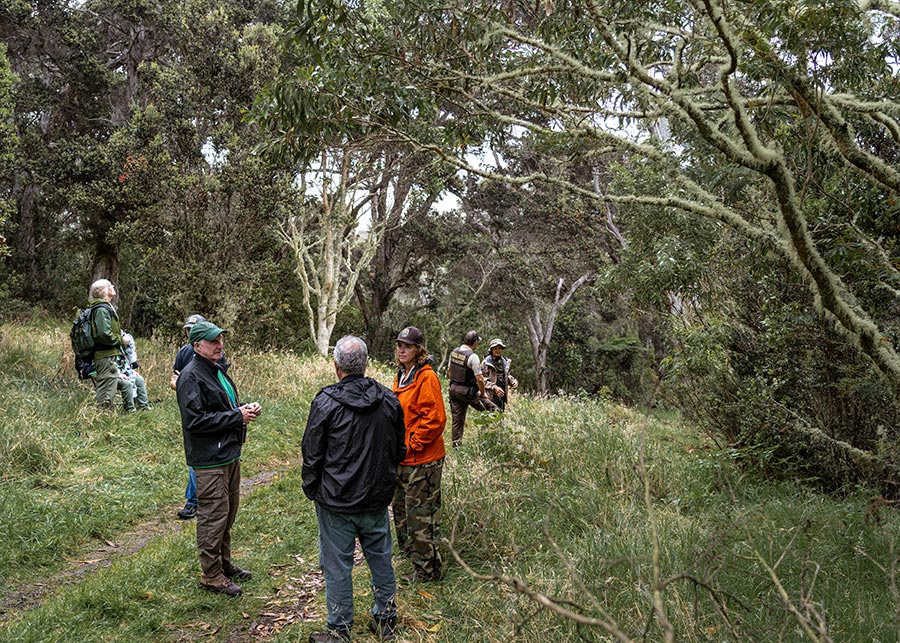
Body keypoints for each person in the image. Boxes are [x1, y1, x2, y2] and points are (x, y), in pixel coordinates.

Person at [302, 336, 405, 642]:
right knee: (380, 558)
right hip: (374, 498)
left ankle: (339, 629)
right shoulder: (388, 399)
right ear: (365, 364)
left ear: (336, 367)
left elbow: (312, 454)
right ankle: (386, 619)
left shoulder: (326, 402)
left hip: (337, 501)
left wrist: (313, 489)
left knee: (337, 565)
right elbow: (399, 450)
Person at [176, 320, 262, 597]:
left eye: (221, 341)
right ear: (197, 345)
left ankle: (223, 565)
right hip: (209, 458)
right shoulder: (191, 376)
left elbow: (221, 406)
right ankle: (210, 575)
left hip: (227, 453)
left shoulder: (215, 371)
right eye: (213, 342)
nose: (220, 346)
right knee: (213, 515)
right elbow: (195, 421)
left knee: (227, 513)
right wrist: (236, 416)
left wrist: (242, 408)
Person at [392, 326, 447, 583]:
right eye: (399, 345)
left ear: (419, 350)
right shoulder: (402, 375)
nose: (402, 349)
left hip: (423, 461)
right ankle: (412, 559)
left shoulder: (427, 378)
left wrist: (412, 444)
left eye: (408, 346)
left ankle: (428, 572)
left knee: (420, 517)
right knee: (401, 511)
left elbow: (435, 420)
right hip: (403, 459)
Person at [170, 314, 220, 520]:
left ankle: (195, 501)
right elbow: (174, 379)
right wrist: (181, 385)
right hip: (190, 408)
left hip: (211, 411)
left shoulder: (214, 354)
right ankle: (195, 501)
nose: (190, 333)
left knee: (200, 459)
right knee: (195, 458)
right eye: (188, 330)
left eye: (194, 329)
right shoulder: (183, 352)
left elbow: (216, 382)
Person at [447, 330, 497, 446]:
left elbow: (449, 371)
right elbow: (479, 379)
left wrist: (455, 384)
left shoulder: (454, 352)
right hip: (467, 392)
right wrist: (483, 394)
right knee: (494, 410)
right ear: (474, 342)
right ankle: (496, 437)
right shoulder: (473, 357)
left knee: (457, 420)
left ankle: (456, 446)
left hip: (453, 390)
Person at [86, 279, 126, 410]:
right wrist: (121, 340)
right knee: (106, 386)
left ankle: (105, 415)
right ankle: (103, 416)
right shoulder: (101, 310)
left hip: (108, 354)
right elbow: (104, 334)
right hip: (104, 354)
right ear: (103, 291)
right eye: (109, 286)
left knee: (110, 384)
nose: (113, 286)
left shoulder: (104, 307)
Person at [481, 338, 518, 412]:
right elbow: (482, 380)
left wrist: (513, 381)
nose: (498, 350)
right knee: (490, 417)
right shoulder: (486, 363)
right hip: (490, 396)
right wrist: (494, 388)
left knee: (500, 416)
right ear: (491, 350)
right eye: (495, 348)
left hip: (501, 394)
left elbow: (507, 375)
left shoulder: (505, 362)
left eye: (500, 348)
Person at [119, 330, 151, 410]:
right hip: (107, 371)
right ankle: (130, 410)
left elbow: (128, 342)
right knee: (127, 383)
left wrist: (130, 369)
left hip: (120, 368)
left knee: (139, 379)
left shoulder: (117, 332)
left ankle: (144, 407)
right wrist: (116, 373)